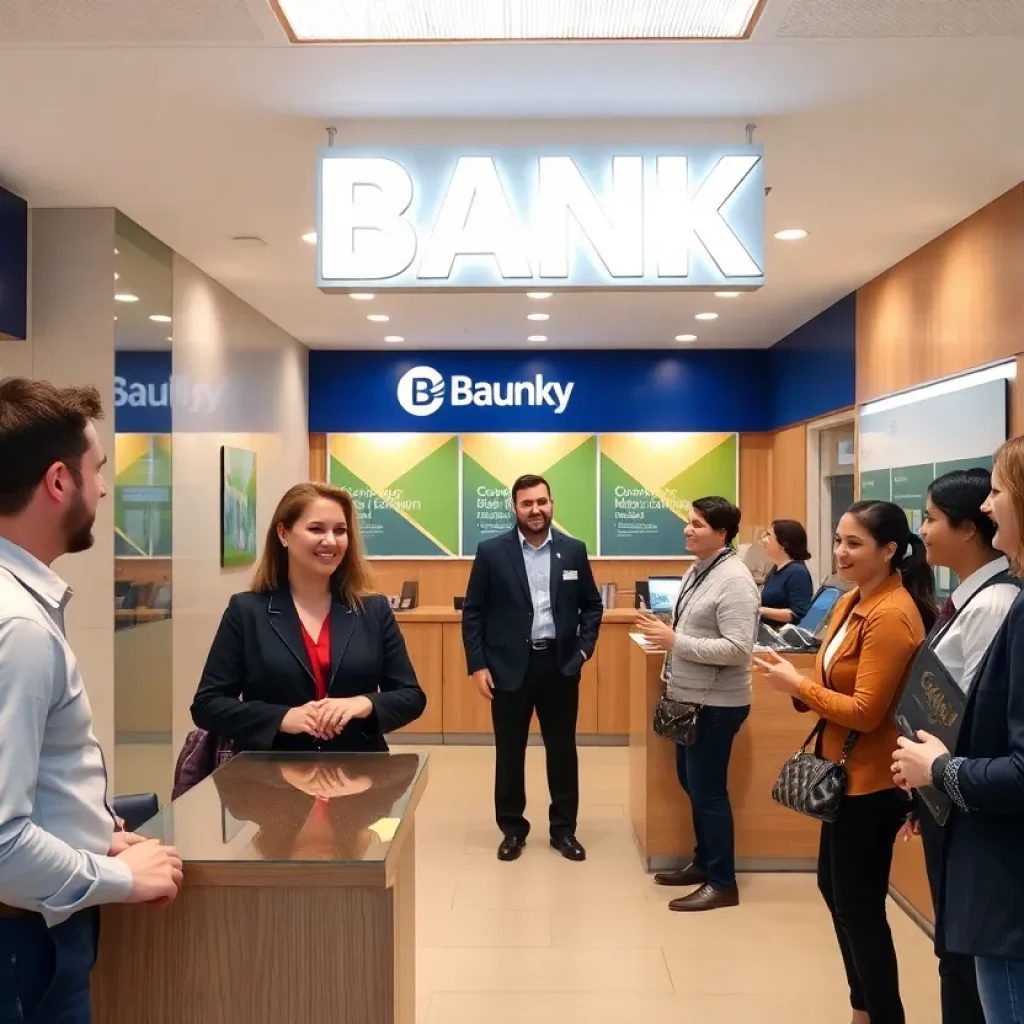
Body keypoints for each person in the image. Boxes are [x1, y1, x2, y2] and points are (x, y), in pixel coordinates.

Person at [0, 377, 183, 1022]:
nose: (104, 488)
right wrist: (122, 880)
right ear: (59, 481)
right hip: (22, 944)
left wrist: (94, 836)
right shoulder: (16, 626)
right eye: (97, 469)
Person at [756, 500, 936, 1024]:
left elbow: (864, 711)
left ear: (890, 551)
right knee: (834, 891)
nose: (840, 551)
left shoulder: (894, 614)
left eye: (854, 543)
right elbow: (827, 672)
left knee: (859, 910)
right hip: (842, 777)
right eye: (838, 539)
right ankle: (862, 1008)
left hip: (874, 785)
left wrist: (799, 685)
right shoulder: (848, 600)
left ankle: (882, 1013)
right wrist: (801, 686)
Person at [893, 440, 1024, 1024]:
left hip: (988, 818)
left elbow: (984, 726)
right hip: (963, 798)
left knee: (979, 974)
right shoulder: (976, 601)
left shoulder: (1002, 605)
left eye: (1000, 492)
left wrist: (941, 772)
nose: (994, 507)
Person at [191, 482, 426, 753]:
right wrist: (281, 718)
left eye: (340, 530)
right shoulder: (246, 611)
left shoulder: (372, 610)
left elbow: (411, 697)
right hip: (270, 779)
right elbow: (207, 705)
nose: (331, 540)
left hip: (357, 777)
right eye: (316, 529)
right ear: (283, 533)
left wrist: (362, 704)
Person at [462, 474, 603, 862]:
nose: (535, 510)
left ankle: (564, 830)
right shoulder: (492, 552)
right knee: (510, 753)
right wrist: (477, 665)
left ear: (551, 503)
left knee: (562, 751)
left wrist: (584, 651)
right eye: (527, 504)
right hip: (507, 669)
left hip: (560, 666)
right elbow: (473, 612)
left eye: (541, 502)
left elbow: (592, 605)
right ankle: (512, 829)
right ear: (515, 508)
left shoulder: (573, 550)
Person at [637, 496, 760, 912]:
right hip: (688, 699)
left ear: (722, 534)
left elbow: (739, 648)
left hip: (717, 705)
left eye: (698, 525)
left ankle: (723, 883)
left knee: (710, 793)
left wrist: (675, 642)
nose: (688, 530)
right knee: (692, 785)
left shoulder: (735, 580)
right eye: (689, 522)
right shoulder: (697, 570)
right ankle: (704, 862)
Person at [759, 519, 814, 625]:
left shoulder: (797, 573)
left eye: (769, 536)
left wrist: (761, 611)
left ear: (783, 544)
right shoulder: (776, 569)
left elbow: (797, 614)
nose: (764, 540)